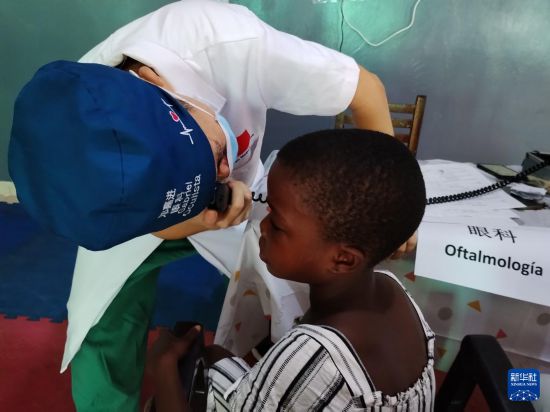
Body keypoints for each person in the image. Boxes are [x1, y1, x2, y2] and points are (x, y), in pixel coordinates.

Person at [16, 0, 412, 410]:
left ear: (157, 83)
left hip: (244, 197)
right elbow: (154, 224)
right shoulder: (85, 159)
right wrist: (200, 219)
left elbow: (366, 91)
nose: (223, 172)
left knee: (296, 292)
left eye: (218, 154)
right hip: (165, 211)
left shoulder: (233, 43)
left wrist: (390, 203)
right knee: (104, 323)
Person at [149, 129, 435, 411]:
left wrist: (163, 369)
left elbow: (304, 365)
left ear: (343, 260)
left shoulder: (309, 355)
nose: (262, 226)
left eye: (277, 224)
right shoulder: (391, 287)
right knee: (212, 354)